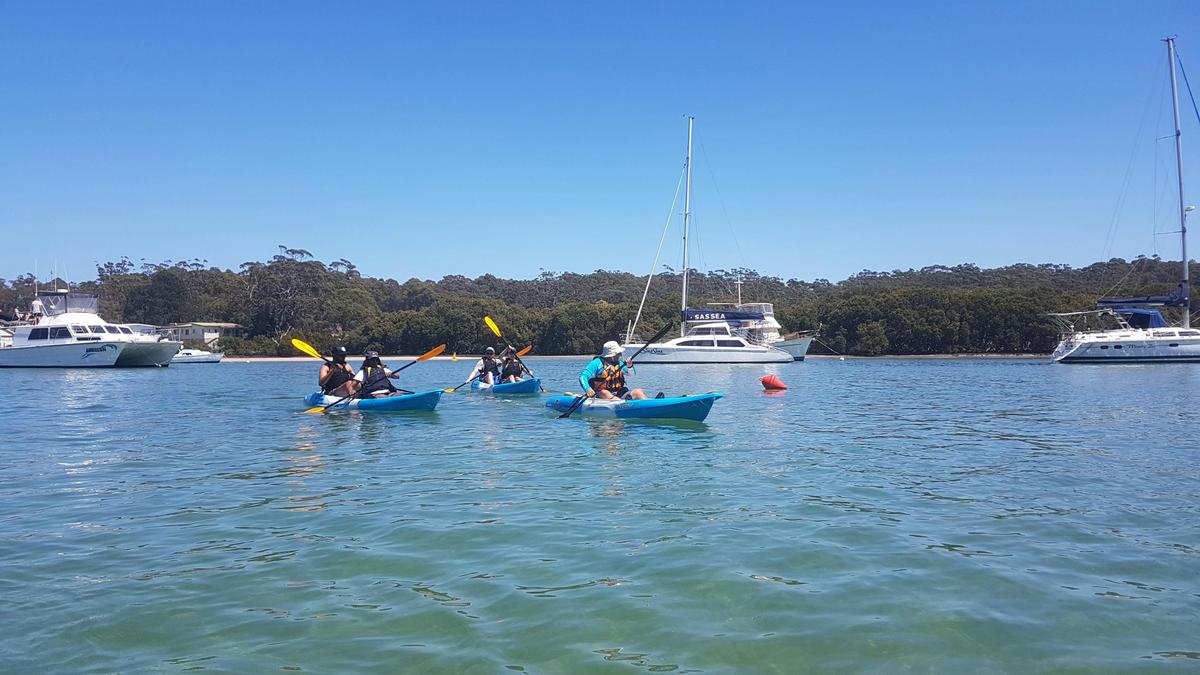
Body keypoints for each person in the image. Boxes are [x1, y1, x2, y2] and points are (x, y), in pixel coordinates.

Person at [579, 341, 647, 400]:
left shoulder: (620, 364)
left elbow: (630, 374)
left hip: (618, 393)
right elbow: (583, 377)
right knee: (604, 393)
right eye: (618, 353)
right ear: (612, 355)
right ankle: (622, 405)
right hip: (601, 395)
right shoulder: (597, 363)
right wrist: (588, 389)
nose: (620, 355)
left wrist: (629, 366)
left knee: (638, 391)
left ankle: (649, 404)